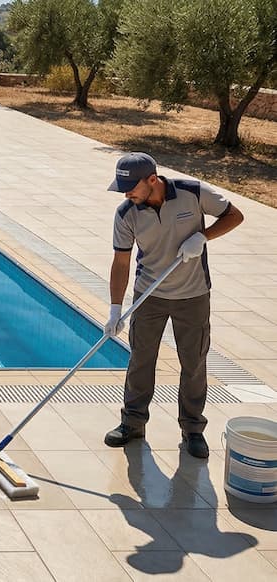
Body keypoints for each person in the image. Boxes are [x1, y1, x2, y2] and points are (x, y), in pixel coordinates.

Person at [102, 152, 244, 459]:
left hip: (193, 295)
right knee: (141, 360)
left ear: (152, 180)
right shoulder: (126, 213)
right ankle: (133, 423)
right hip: (149, 296)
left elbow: (235, 216)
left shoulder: (194, 193)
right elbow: (121, 262)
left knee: (193, 363)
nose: (126, 194)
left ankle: (193, 429)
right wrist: (115, 309)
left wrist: (203, 237)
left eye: (131, 188)